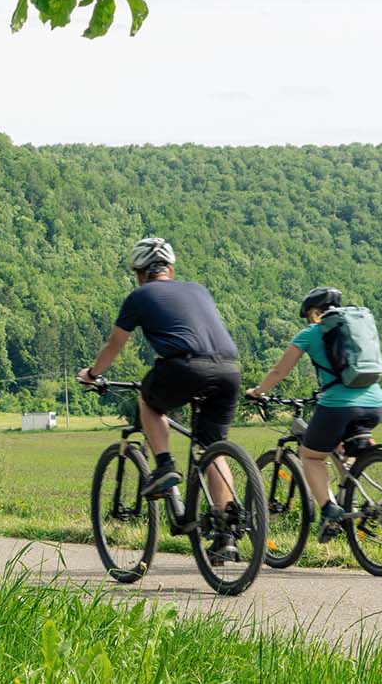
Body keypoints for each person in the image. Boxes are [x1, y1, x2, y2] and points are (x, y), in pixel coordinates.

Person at [78, 237, 245, 560]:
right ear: (170, 269)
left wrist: (93, 374)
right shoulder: (198, 289)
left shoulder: (139, 296)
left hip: (184, 367)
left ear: (139, 273)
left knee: (148, 400)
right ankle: (225, 535)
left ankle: (165, 466)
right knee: (211, 448)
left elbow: (114, 345)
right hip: (229, 370)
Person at [246, 287, 382, 542]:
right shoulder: (357, 328)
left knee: (310, 456)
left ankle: (329, 510)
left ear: (314, 312)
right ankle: (357, 498)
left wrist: (257, 392)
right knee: (342, 447)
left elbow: (279, 371)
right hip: (377, 403)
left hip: (339, 404)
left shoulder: (312, 332)